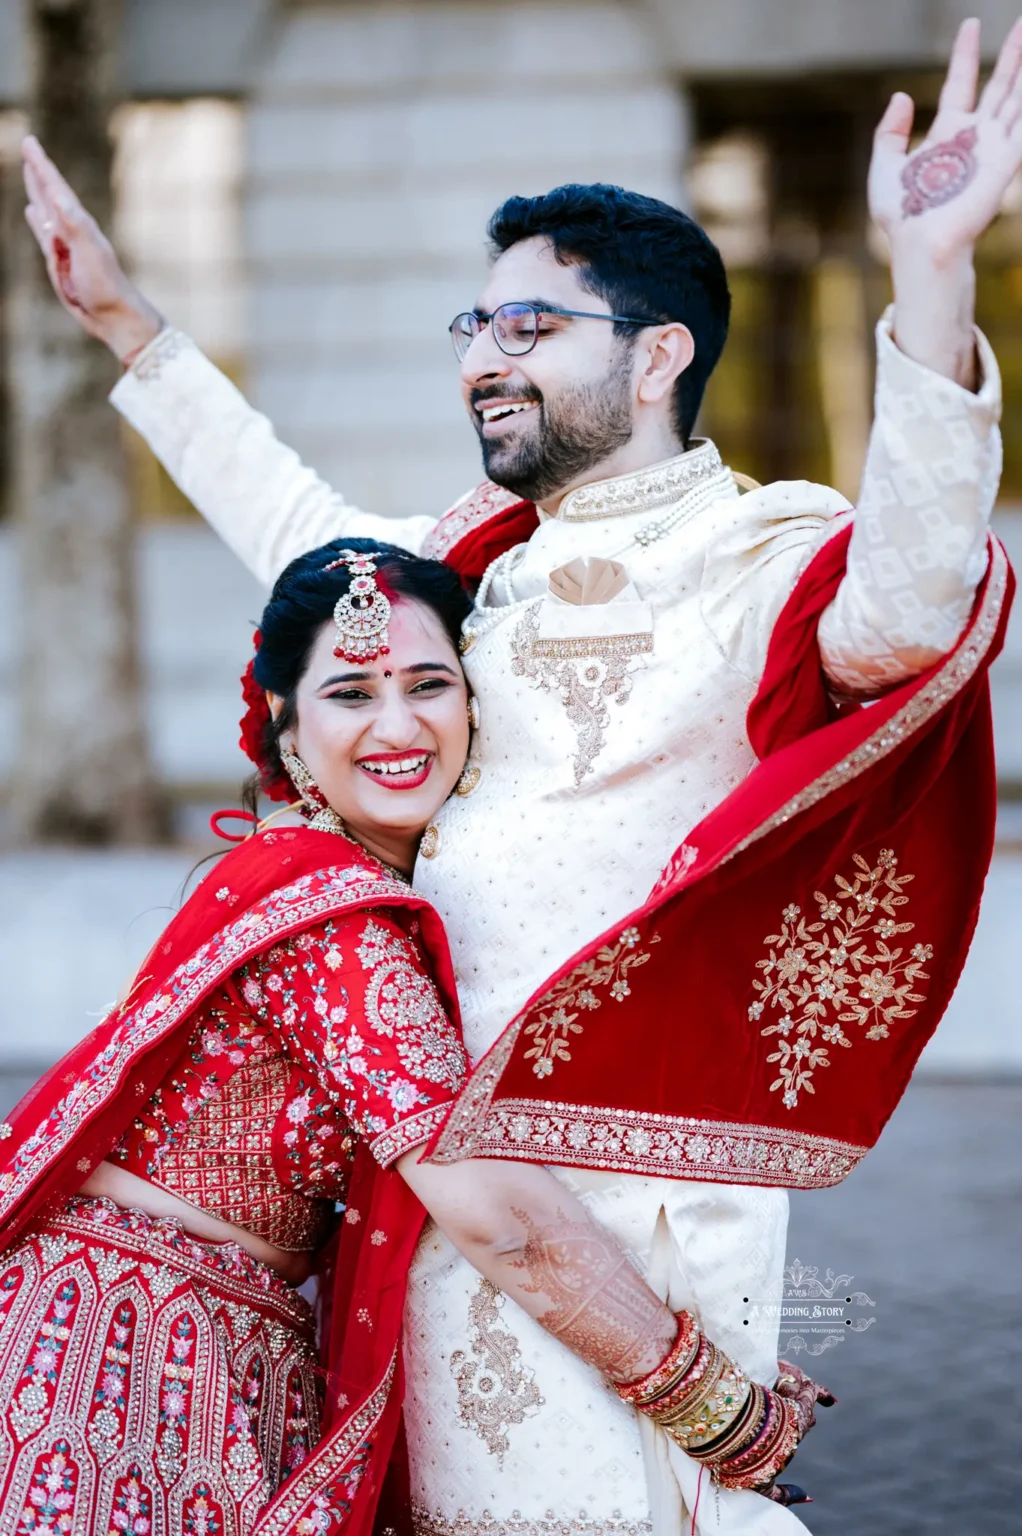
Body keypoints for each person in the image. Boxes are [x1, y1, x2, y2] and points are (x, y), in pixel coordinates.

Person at [16, 15, 1018, 1533]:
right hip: (444, 1188)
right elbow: (307, 544)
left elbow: (896, 619)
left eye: (530, 330)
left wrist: (932, 286)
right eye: (473, 329)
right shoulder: (475, 568)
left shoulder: (756, 549)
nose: (484, 358)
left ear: (657, 351)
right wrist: (131, 334)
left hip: (637, 1194)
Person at [0, 541, 828, 1536]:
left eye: (427, 683)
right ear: (284, 725)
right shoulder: (331, 922)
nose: (397, 726)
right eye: (350, 693)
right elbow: (493, 1213)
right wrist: (707, 1403)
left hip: (211, 1340)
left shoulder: (376, 897)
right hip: (126, 1347)